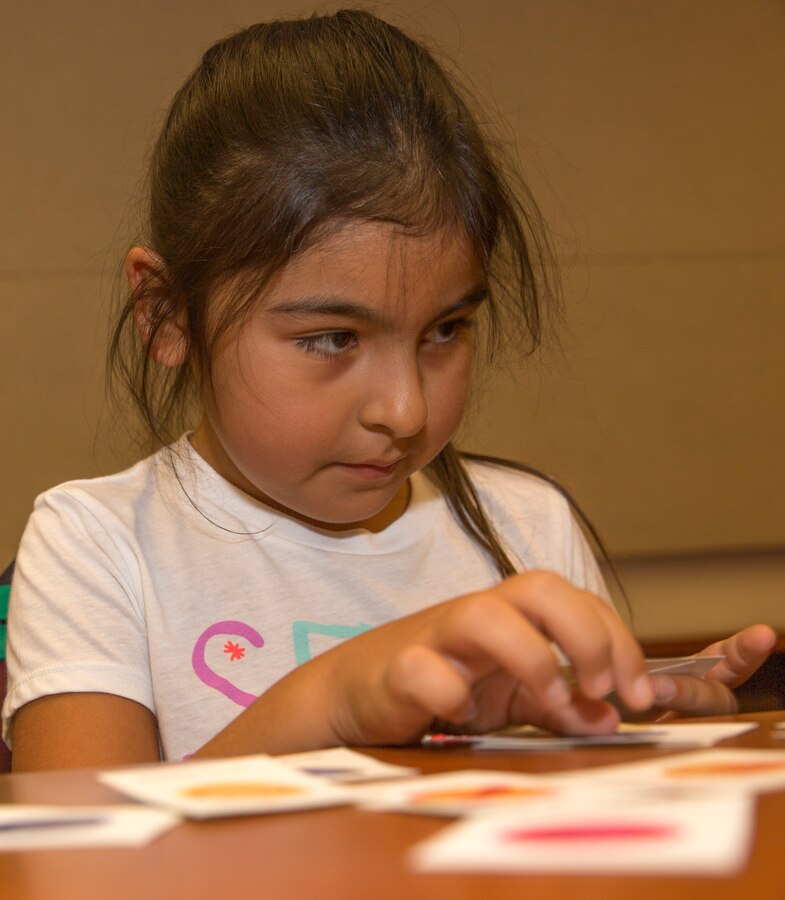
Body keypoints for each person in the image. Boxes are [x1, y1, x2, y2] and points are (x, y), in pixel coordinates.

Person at [2, 10, 774, 770]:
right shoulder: (95, 545)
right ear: (166, 314)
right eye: (332, 339)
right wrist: (328, 702)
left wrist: (632, 747)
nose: (404, 411)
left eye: (444, 332)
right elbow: (75, 863)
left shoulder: (529, 527)